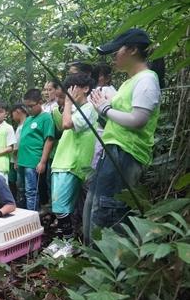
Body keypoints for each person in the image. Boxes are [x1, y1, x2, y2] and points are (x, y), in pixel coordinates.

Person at [85, 28, 162, 242]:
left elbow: (138, 120)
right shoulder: (130, 81)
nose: (113, 58)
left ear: (133, 50)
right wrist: (105, 105)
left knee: (108, 211)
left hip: (124, 153)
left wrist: (105, 109)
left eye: (115, 52)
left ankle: (109, 267)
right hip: (113, 151)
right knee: (96, 206)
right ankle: (95, 262)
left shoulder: (146, 79)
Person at [50, 73, 98, 241]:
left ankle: (68, 243)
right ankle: (65, 241)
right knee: (64, 208)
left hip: (72, 164)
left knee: (60, 208)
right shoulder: (75, 109)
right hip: (64, 162)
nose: (69, 92)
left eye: (73, 88)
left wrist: (68, 103)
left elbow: (66, 124)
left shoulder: (89, 108)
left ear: (85, 89)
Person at [17, 89, 55, 212]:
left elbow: (49, 140)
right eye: (26, 106)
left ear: (40, 102)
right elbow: (23, 141)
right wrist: (17, 160)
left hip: (33, 161)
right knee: (21, 190)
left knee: (31, 191)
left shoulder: (46, 118)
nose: (28, 109)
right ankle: (23, 215)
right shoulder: (28, 119)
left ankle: (31, 218)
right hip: (22, 161)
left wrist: (43, 162)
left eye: (31, 106)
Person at [10, 103, 28, 206]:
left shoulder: (24, 126)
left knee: (21, 187)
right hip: (18, 160)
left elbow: (18, 146)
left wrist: (16, 160)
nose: (12, 117)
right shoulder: (20, 126)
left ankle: (23, 207)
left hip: (20, 161)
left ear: (17, 112)